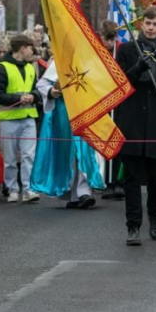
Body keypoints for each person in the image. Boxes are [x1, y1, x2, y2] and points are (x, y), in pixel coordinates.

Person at [114, 5, 156, 245]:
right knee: (131, 178)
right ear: (141, 24)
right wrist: (137, 68)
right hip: (131, 122)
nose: (151, 28)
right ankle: (133, 226)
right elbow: (119, 84)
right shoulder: (127, 51)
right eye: (148, 23)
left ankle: (155, 216)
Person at [31, 59, 104, 208]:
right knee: (67, 151)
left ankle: (85, 192)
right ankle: (72, 194)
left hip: (85, 109)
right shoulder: (59, 59)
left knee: (84, 149)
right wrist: (52, 91)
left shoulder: (89, 57)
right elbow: (43, 85)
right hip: (64, 112)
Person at [0, 34, 42, 204]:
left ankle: (28, 189)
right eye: (30, 48)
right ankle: (13, 189)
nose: (32, 51)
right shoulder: (1, 68)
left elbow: (36, 90)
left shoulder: (29, 68)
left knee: (29, 155)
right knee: (10, 158)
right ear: (22, 48)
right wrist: (18, 99)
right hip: (9, 119)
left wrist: (33, 97)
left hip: (28, 118)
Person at [98, 20, 125, 200]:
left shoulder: (121, 49)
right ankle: (106, 181)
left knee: (119, 140)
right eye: (105, 39)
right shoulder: (96, 49)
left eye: (111, 39)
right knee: (104, 139)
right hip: (102, 99)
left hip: (120, 101)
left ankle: (118, 181)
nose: (108, 43)